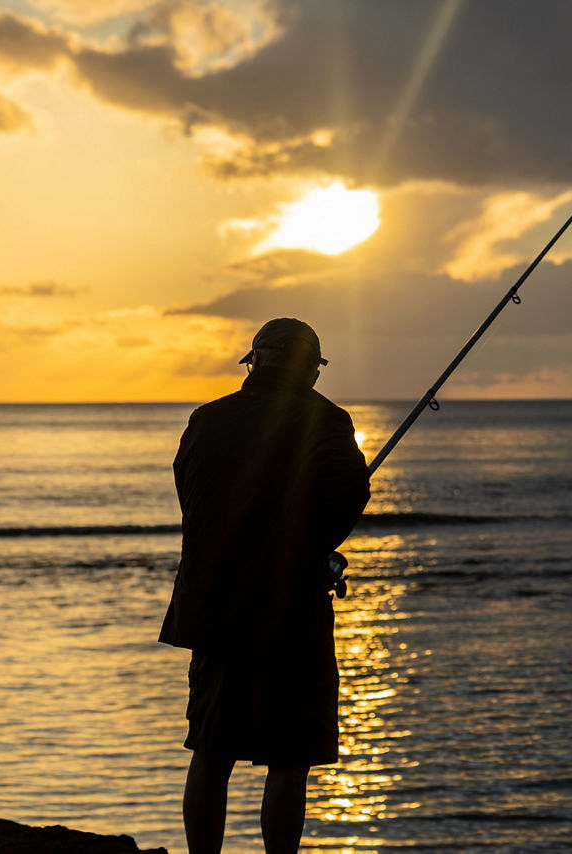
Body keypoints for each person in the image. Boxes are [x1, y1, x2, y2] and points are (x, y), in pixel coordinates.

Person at [159, 318, 370, 853]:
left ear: (255, 361)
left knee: (211, 749)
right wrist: (312, 547)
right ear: (309, 368)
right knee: (290, 756)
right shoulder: (328, 422)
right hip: (290, 610)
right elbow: (346, 502)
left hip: (215, 608)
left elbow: (193, 502)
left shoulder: (206, 421)